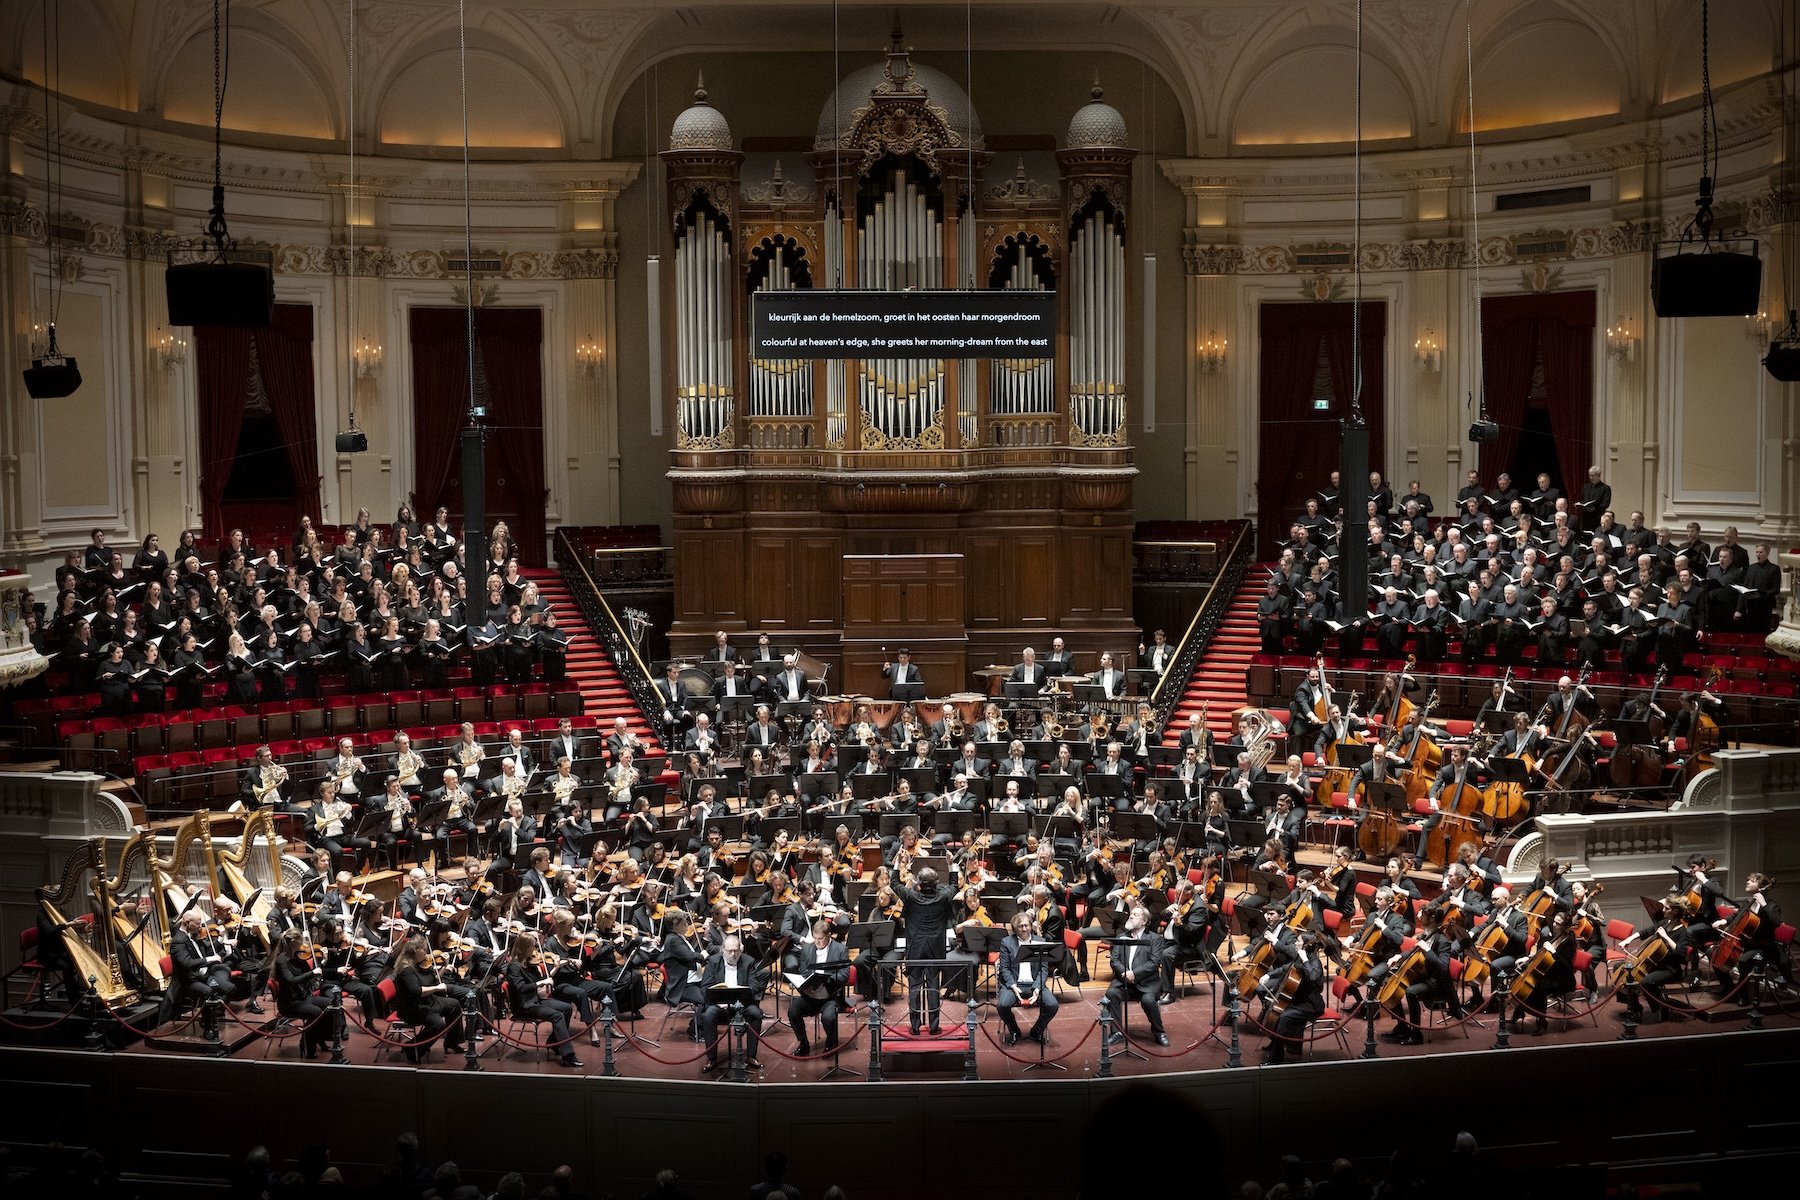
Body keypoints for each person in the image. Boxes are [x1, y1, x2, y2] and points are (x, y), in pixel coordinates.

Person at [391, 935, 466, 1063]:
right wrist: (437, 988)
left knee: (454, 1005)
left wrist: (444, 966)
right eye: (424, 950)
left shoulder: (419, 964)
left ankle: (451, 1042)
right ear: (416, 951)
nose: (427, 953)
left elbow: (433, 980)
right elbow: (417, 991)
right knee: (438, 1024)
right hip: (413, 1007)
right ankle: (413, 1048)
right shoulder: (406, 970)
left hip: (428, 1002)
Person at [698, 933, 766, 1072]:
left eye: (736, 950)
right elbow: (705, 988)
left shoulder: (748, 961)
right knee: (708, 1015)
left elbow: (755, 986)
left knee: (756, 1014)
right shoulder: (713, 961)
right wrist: (718, 1002)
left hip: (742, 1005)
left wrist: (742, 997)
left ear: (740, 950)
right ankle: (712, 1058)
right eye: (729, 951)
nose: (733, 954)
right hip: (719, 1005)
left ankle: (751, 1056)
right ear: (723, 950)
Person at [1104, 903, 1169, 1046]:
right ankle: (1117, 1031)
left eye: (1136, 914)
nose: (1131, 916)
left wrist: (1134, 973)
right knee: (1111, 994)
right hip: (1124, 981)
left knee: (1148, 1001)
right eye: (1131, 914)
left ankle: (1159, 1032)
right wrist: (1125, 973)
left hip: (1147, 982)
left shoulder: (1154, 939)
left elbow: (1154, 963)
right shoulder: (1121, 937)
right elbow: (1114, 960)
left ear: (1144, 921)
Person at [786, 918, 851, 1054]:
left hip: (829, 996)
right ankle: (803, 1043)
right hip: (810, 995)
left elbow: (844, 975)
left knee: (827, 1017)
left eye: (820, 939)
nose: (817, 942)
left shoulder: (841, 949)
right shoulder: (807, 948)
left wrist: (827, 979)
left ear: (829, 936)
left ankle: (831, 1042)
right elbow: (803, 971)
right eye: (815, 938)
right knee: (793, 1012)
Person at [996, 909, 1059, 1046]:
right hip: (1014, 984)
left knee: (1052, 1005)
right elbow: (1004, 969)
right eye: (1020, 926)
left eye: (1027, 925)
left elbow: (1043, 969)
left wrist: (1037, 989)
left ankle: (1037, 1030)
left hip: (1034, 984)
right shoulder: (1006, 942)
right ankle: (1014, 1030)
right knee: (1002, 1005)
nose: (1024, 929)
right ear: (1015, 928)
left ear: (1031, 926)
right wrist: (1013, 986)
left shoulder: (1040, 941)